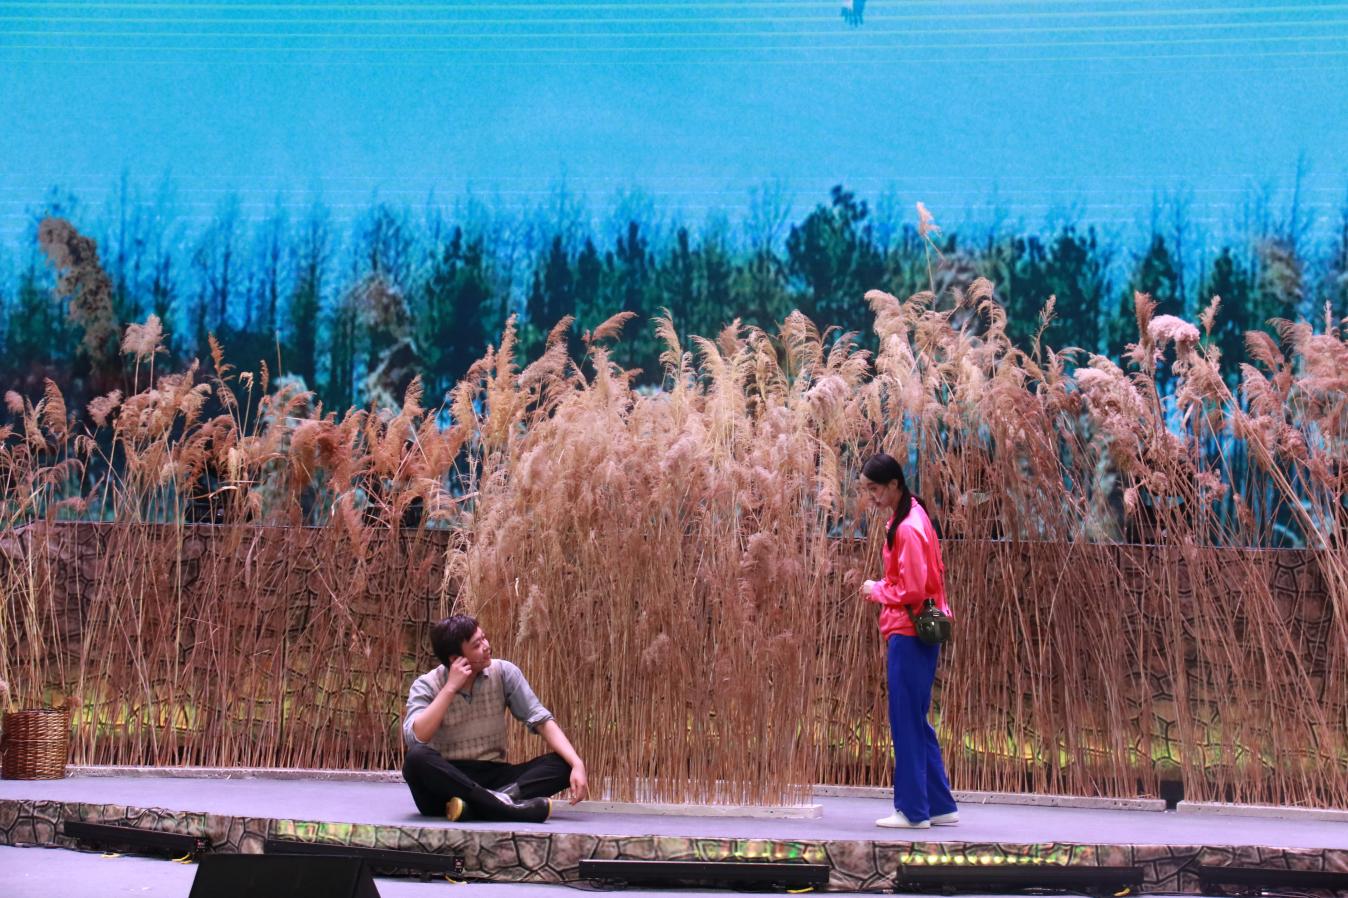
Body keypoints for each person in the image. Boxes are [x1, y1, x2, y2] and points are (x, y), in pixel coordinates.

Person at [402, 614, 589, 823]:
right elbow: (416, 738)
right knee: (415, 759)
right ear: (456, 659)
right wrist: (450, 688)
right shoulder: (427, 684)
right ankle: (500, 804)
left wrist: (576, 763)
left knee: (563, 764)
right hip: (446, 781)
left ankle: (479, 806)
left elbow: (541, 720)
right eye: (477, 645)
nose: (486, 646)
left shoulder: (503, 672)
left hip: (494, 775)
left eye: (484, 638)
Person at [859, 453, 959, 829]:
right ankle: (940, 805)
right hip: (920, 629)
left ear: (894, 484)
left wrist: (876, 589)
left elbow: (913, 589)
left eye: (875, 489)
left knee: (905, 720)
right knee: (915, 718)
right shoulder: (914, 515)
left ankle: (913, 811)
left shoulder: (907, 527)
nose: (871, 496)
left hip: (909, 630)